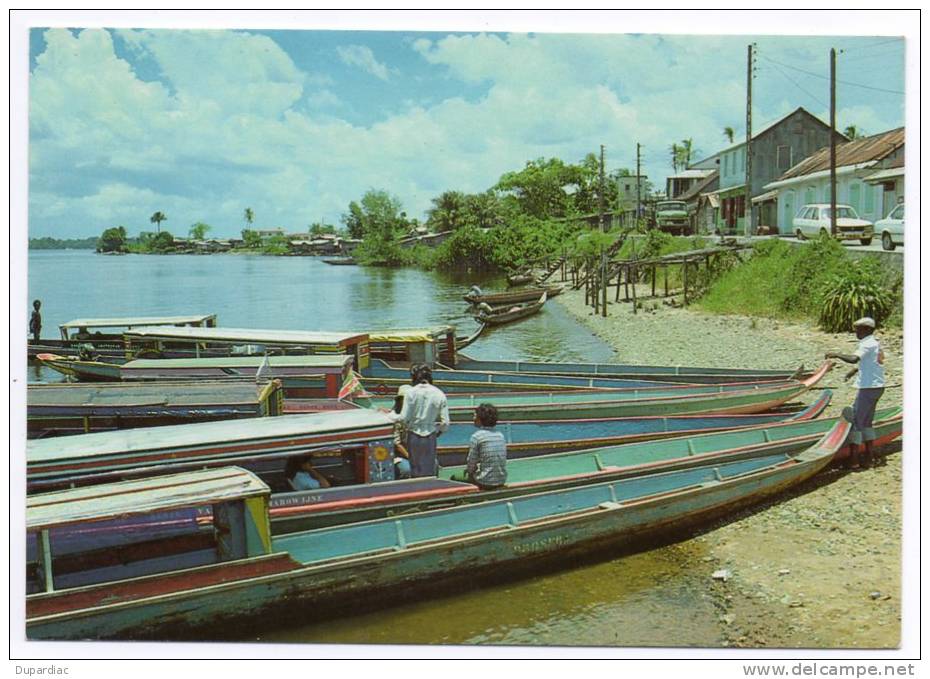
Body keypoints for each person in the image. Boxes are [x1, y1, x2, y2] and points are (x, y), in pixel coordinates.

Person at [825, 316, 886, 469]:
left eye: (858, 329)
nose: (855, 332)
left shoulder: (867, 344)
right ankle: (869, 457)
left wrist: (836, 354)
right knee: (867, 422)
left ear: (866, 329)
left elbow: (853, 358)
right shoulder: (875, 343)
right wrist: (854, 371)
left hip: (868, 388)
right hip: (877, 387)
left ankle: (854, 460)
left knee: (856, 422)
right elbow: (870, 363)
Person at [390, 365, 449, 477]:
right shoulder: (439, 393)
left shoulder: (410, 393)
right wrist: (438, 432)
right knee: (430, 468)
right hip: (431, 435)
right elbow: (445, 423)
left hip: (414, 435)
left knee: (415, 469)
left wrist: (390, 416)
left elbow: (404, 418)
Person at [465, 403, 507, 490]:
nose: (473, 418)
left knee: (456, 478)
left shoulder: (477, 437)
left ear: (480, 419)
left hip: (485, 481)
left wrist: (470, 472)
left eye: (475, 416)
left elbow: (471, 463)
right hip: (501, 480)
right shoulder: (500, 435)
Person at [392, 384, 412, 479]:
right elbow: (397, 444)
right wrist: (410, 457)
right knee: (407, 470)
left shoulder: (413, 416)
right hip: (398, 456)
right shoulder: (394, 418)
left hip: (414, 453)